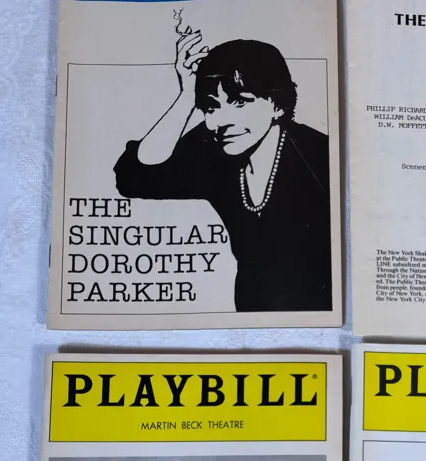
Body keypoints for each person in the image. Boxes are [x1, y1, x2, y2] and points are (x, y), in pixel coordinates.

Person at [114, 23, 332, 313]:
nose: (219, 121)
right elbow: (134, 177)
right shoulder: (215, 150)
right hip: (251, 320)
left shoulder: (319, 155)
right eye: (211, 107)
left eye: (240, 102)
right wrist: (186, 97)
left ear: (277, 105)